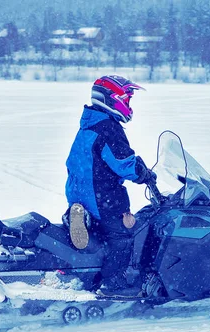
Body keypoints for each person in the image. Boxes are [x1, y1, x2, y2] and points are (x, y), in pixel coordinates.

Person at [64, 75, 156, 296]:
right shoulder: (109, 128)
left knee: (101, 231)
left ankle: (78, 219)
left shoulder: (89, 123)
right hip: (102, 194)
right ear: (112, 99)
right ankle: (112, 282)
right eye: (126, 99)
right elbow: (123, 163)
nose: (128, 105)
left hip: (79, 191)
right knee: (122, 236)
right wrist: (143, 173)